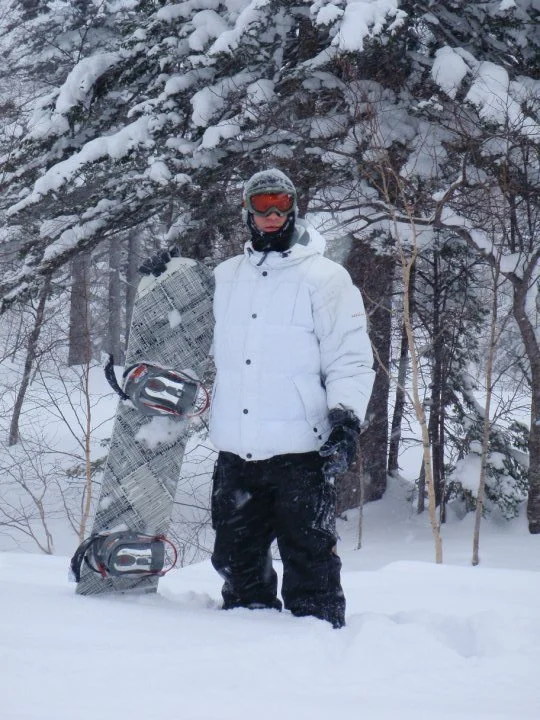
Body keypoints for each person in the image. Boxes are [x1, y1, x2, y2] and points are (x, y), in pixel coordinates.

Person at [141, 169, 374, 628]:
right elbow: (188, 339)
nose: (271, 215)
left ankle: (321, 646)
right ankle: (246, 658)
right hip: (236, 452)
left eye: (280, 204)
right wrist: (163, 287)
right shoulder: (226, 277)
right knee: (235, 562)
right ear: (247, 210)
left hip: (301, 456)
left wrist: (345, 419)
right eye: (262, 204)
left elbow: (350, 357)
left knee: (309, 563)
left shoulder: (326, 278)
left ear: (293, 208)